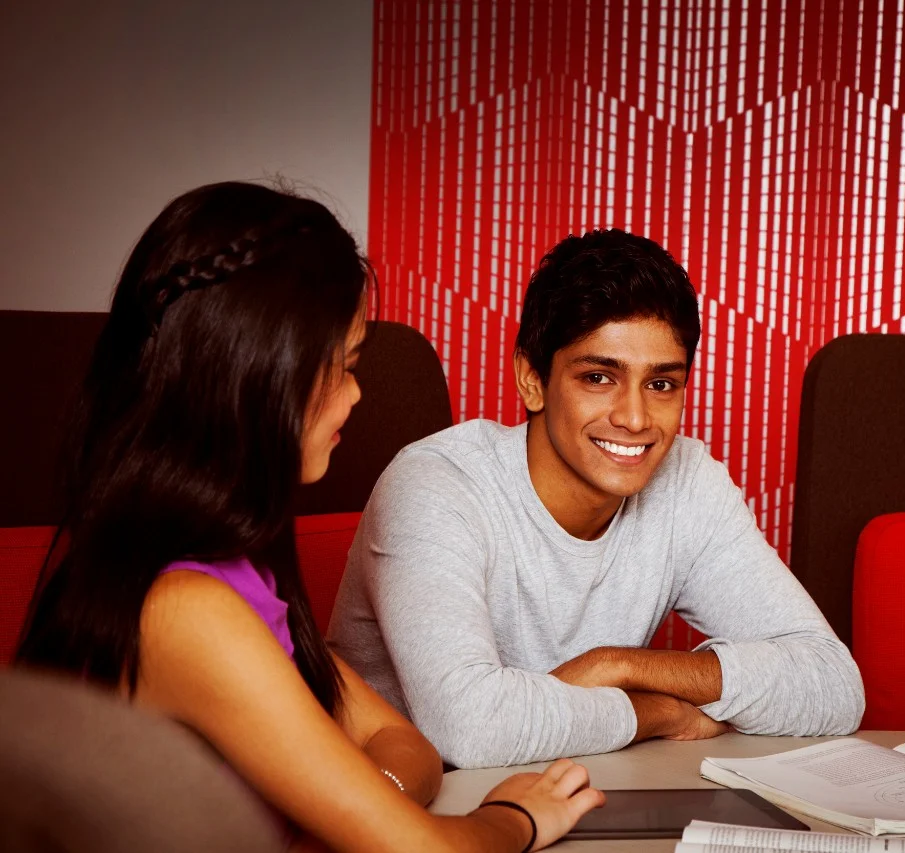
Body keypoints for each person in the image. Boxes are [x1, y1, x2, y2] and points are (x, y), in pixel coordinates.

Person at [17, 182, 603, 851]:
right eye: (344, 366)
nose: (357, 394)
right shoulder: (186, 609)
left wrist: (352, 810)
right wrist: (516, 817)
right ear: (259, 375)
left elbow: (403, 741)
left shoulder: (239, 570)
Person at [328, 229, 864, 770]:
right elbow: (469, 730)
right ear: (532, 379)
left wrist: (620, 666)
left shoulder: (686, 481)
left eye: (661, 385)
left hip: (573, 791)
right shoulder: (436, 484)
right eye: (598, 377)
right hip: (409, 815)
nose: (634, 419)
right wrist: (657, 713)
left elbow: (834, 686)